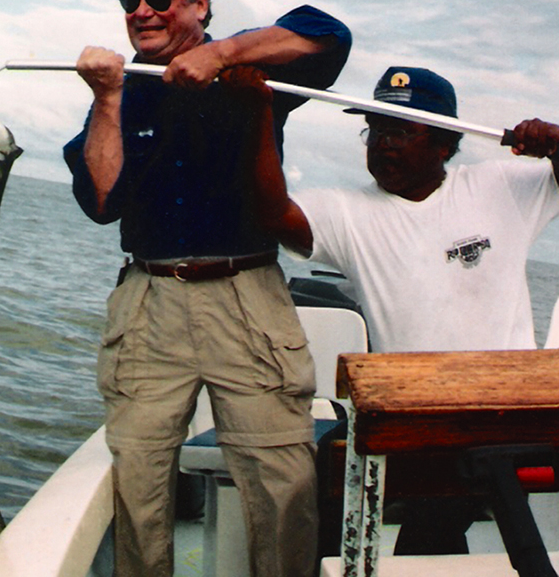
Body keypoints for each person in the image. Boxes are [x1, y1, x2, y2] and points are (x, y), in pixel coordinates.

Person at [63, 0, 351, 577]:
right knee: (141, 475)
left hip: (247, 294)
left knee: (283, 480)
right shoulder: (127, 89)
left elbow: (329, 37)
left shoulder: (256, 71)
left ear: (200, 4)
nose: (144, 12)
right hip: (150, 299)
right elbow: (101, 199)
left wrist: (223, 55)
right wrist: (107, 100)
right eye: (132, 1)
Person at [239, 63, 559, 552]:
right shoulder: (346, 212)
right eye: (376, 129)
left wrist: (553, 142)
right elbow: (273, 213)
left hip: (501, 415)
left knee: (437, 513)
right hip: (410, 419)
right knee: (319, 473)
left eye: (401, 131)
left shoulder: (501, 188)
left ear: (445, 145)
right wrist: (257, 113)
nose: (383, 143)